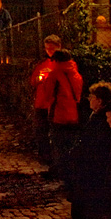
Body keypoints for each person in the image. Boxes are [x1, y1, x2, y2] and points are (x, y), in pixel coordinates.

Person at [62, 81, 111, 219]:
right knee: (79, 210)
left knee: (95, 216)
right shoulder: (96, 117)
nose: (89, 100)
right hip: (85, 173)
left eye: (91, 97)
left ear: (99, 101)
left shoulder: (102, 121)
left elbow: (94, 147)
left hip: (92, 175)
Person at [40, 49, 83, 177]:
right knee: (71, 143)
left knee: (58, 143)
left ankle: (58, 169)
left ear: (57, 61)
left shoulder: (55, 73)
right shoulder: (76, 74)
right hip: (74, 114)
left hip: (59, 113)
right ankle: (70, 169)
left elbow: (48, 94)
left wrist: (44, 81)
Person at [30, 34, 62, 166]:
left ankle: (54, 157)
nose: (49, 51)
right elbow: (33, 81)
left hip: (54, 103)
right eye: (47, 48)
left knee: (54, 131)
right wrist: (40, 78)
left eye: (52, 49)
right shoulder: (43, 64)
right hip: (41, 102)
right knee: (40, 130)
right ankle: (44, 155)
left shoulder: (62, 64)